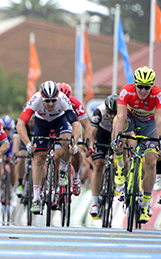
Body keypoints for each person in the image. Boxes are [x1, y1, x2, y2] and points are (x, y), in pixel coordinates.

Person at [111, 66, 161, 224]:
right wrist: (117, 138)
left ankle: (145, 205)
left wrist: (160, 141)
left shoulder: (158, 95)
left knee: (151, 162)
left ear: (152, 86)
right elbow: (120, 116)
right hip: (131, 121)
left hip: (150, 127)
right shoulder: (126, 92)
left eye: (147, 87)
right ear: (135, 84)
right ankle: (120, 166)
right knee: (117, 126)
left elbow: (160, 120)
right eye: (140, 86)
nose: (143, 90)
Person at [16, 81, 81, 214]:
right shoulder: (35, 99)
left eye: (53, 101)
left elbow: (75, 123)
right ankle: (36, 198)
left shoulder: (62, 99)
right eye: (47, 101)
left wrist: (73, 143)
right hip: (42, 124)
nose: (51, 104)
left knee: (66, 142)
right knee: (39, 159)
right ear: (41, 97)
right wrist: (28, 143)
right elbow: (20, 124)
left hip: (60, 120)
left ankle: (63, 169)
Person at [87, 94, 118, 218]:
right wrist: (90, 145)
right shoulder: (99, 111)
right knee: (98, 164)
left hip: (118, 134)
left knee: (121, 159)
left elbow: (130, 133)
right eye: (110, 113)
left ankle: (118, 181)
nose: (111, 116)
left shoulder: (124, 112)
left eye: (114, 113)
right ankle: (94, 203)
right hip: (103, 135)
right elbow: (91, 131)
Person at [58, 82, 90, 195]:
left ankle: (76, 177)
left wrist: (88, 144)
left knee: (76, 151)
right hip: (57, 130)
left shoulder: (75, 103)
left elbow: (86, 125)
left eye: (66, 98)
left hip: (73, 130)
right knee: (55, 154)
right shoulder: (52, 103)